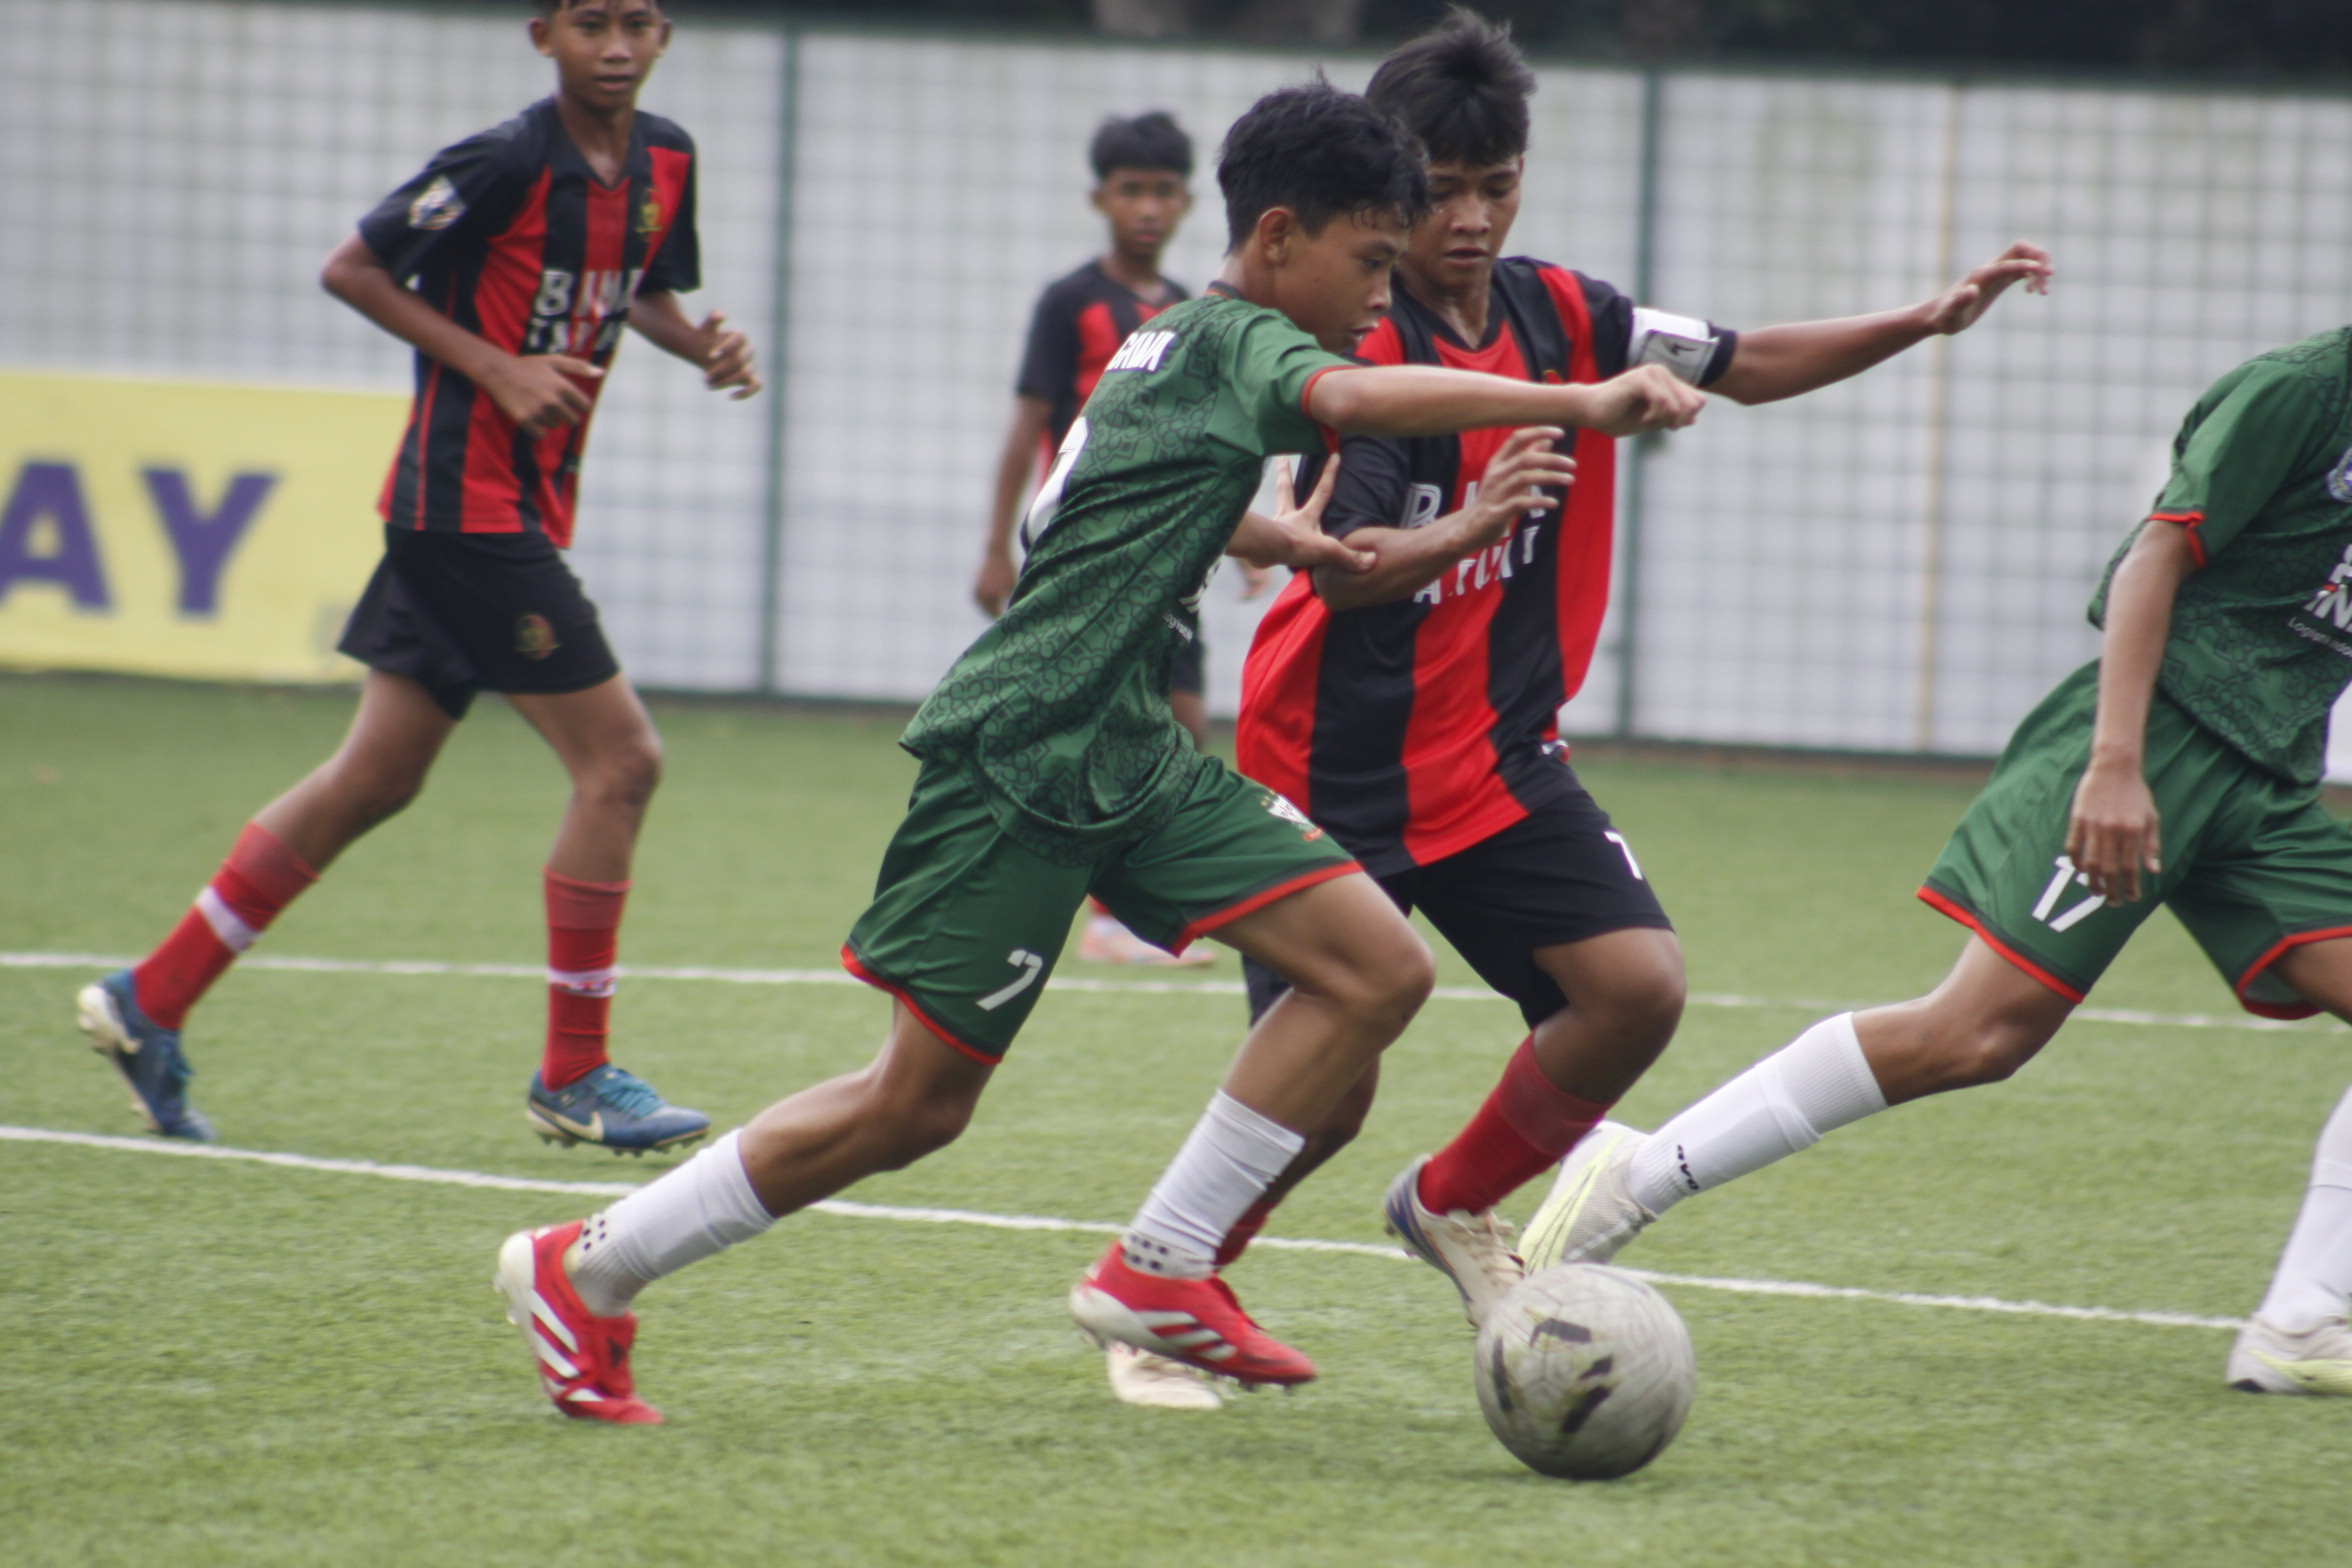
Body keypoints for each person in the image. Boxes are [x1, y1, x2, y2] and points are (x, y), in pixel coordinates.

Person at [490, 78, 1705, 1425]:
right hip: (1028, 749)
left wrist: (1261, 531)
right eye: (1371, 261)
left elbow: (1093, 496)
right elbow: (1358, 393)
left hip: (1127, 744)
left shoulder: (1166, 341)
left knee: (1377, 967)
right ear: (1282, 235)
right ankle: (585, 1265)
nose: (1384, 291)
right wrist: (1579, 400)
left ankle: (1162, 1266)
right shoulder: (1241, 339)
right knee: (912, 1106)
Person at [1175, 8, 2053, 1369]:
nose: (1471, 218)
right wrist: (1475, 523)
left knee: (1634, 989)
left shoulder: (1571, 315)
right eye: (1442, 190)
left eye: (1496, 184)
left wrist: (1925, 319)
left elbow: (1744, 361)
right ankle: (1174, 1276)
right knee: (1327, 1096)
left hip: (1497, 751)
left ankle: (1451, 1202)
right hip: (1334, 761)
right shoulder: (1359, 350)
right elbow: (1344, 577)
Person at [1526, 325, 2352, 1399]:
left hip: (2269, 781)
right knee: (1975, 1034)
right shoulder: (2300, 392)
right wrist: (2115, 763)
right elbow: (2151, 559)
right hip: (2158, 737)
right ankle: (1633, 1176)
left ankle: (2303, 1318)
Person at [73, 0, 756, 1154]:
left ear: (666, 34)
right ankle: (574, 1072)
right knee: (622, 762)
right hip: (463, 510)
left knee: (374, 776)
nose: (616, 46)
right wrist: (498, 367)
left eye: (637, 22)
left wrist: (700, 346)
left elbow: (636, 286)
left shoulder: (666, 160)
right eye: (591, 23)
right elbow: (354, 267)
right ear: (543, 35)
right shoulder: (503, 159)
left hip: (505, 507)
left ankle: (153, 996)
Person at [975, 111, 1217, 967]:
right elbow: (1028, 425)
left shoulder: (1190, 309)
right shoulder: (1069, 302)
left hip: (1168, 555)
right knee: (1088, 731)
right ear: (1100, 198)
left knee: (1183, 723)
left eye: (1163, 192)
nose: (1147, 208)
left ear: (1187, 203)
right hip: (1083, 552)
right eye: (1131, 190)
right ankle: (1100, 915)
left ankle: (1139, 907)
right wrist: (997, 546)